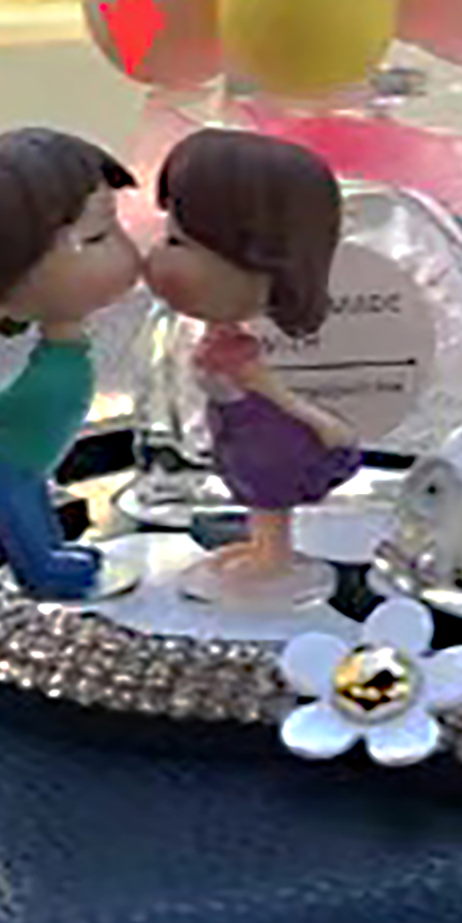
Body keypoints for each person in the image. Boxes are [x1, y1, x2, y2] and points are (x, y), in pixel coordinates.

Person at [0, 125, 142, 599]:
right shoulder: (52, 371)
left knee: (34, 505)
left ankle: (53, 556)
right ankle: (42, 572)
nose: (125, 252)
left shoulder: (64, 359)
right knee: (23, 516)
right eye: (95, 237)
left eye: (115, 226)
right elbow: (13, 402)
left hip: (24, 464)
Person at [143, 128, 359, 606]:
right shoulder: (221, 336)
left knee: (268, 492)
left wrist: (326, 426)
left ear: (261, 258)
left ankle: (274, 556)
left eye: (178, 242)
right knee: (253, 493)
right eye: (168, 236)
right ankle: (262, 548)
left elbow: (276, 394)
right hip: (237, 432)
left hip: (267, 438)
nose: (155, 257)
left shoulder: (242, 353)